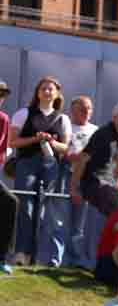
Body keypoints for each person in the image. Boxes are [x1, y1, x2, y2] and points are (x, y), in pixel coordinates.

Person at [9, 76, 71, 265]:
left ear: (57, 93)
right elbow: (13, 142)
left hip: (52, 165)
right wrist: (36, 139)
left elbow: (66, 148)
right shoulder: (23, 113)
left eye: (50, 89)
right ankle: (21, 253)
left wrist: (52, 141)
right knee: (25, 206)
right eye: (43, 88)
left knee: (47, 210)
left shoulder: (63, 119)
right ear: (37, 92)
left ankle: (41, 255)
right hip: (27, 162)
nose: (46, 92)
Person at [63, 95, 98, 269]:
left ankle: (77, 258)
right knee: (62, 219)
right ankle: (62, 257)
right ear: (72, 110)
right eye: (82, 108)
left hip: (87, 180)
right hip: (66, 176)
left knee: (81, 222)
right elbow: (65, 153)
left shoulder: (96, 131)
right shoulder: (66, 125)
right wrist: (81, 157)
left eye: (89, 108)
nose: (86, 112)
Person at [0, 82, 13, 272]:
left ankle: (1, 258)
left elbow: (2, 152)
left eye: (2, 95)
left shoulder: (3, 118)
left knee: (10, 203)